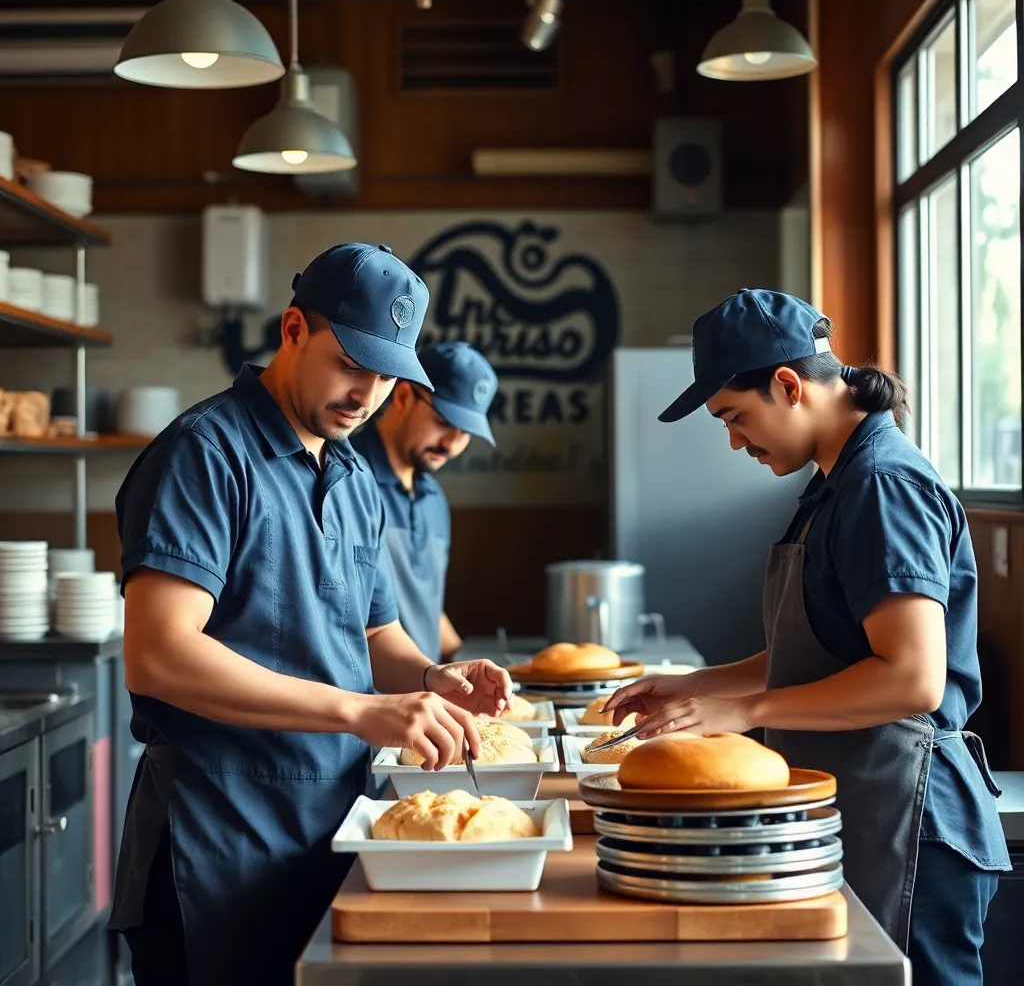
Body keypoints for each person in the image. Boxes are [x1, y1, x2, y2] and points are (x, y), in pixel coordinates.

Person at [108, 243, 512, 986]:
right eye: (352, 364)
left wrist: (430, 676)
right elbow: (159, 655)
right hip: (218, 838)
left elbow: (374, 632)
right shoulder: (205, 454)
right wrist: (362, 711)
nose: (368, 393)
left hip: (329, 831)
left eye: (388, 375)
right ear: (293, 329)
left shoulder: (352, 472)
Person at [604, 289, 1010, 986]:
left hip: (914, 823)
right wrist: (700, 687)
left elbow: (911, 679)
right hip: (866, 806)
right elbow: (819, 654)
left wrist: (746, 712)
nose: (735, 441)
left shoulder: (883, 486)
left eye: (736, 417)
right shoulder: (836, 484)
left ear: (788, 385)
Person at [353, 341, 498, 663]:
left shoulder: (434, 500)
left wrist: (480, 668)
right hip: (367, 702)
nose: (452, 444)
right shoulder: (346, 478)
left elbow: (428, 609)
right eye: (444, 422)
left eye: (465, 433)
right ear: (403, 396)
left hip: (428, 696)